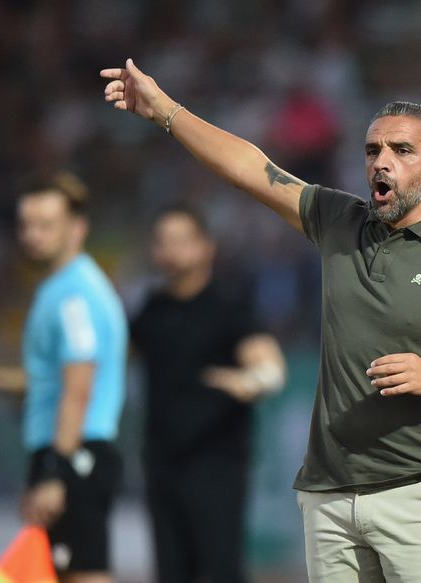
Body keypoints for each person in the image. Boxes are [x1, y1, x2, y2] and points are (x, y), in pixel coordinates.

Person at [101, 59, 421, 583]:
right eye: (372, 150)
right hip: (330, 496)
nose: (382, 162)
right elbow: (251, 168)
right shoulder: (340, 222)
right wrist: (165, 111)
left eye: (402, 150)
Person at [130, 203, 286, 583]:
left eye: (182, 240)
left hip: (215, 466)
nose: (172, 249)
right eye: (164, 241)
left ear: (206, 247)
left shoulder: (228, 305)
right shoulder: (151, 309)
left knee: (220, 571)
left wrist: (251, 381)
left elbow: (270, 368)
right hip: (162, 464)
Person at [17, 172, 128, 583]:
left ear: (77, 229)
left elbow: (79, 386)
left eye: (46, 225)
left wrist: (54, 472)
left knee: (84, 574)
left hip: (73, 451)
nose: (32, 235)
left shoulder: (74, 296)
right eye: (26, 224)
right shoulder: (61, 288)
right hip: (68, 448)